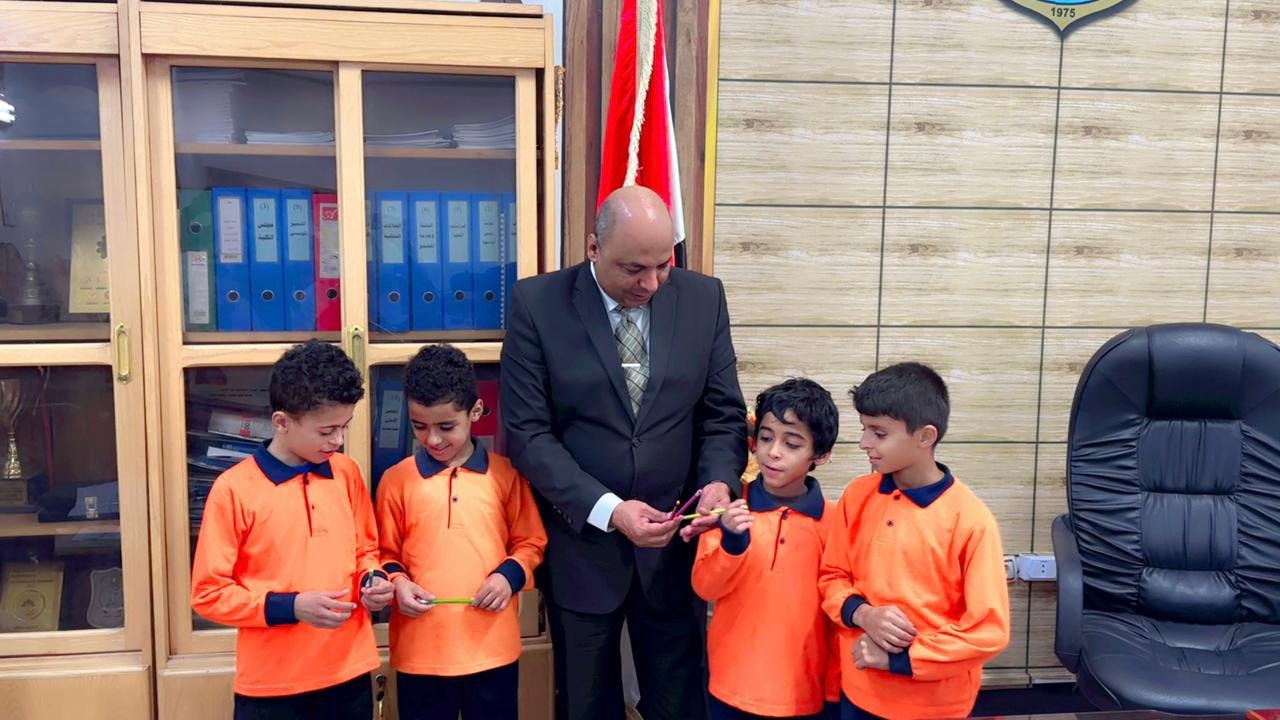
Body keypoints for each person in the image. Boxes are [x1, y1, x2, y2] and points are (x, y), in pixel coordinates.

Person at [499, 184, 748, 720]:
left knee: (679, 703)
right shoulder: (537, 304)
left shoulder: (703, 299)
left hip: (676, 545)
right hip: (583, 548)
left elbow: (722, 414)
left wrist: (719, 482)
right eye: (634, 269)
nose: (650, 283)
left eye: (663, 265)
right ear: (594, 247)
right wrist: (610, 510)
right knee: (586, 702)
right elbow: (527, 434)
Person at [191, 340, 392, 720]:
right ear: (281, 422)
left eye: (344, 427)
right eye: (327, 430)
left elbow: (366, 551)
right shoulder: (234, 489)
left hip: (349, 673)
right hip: (272, 687)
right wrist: (292, 607)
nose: (338, 440)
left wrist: (373, 580)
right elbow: (208, 594)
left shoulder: (347, 473)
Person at [819, 362, 1010, 720]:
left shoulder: (971, 521)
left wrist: (901, 658)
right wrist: (863, 614)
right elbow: (832, 576)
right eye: (864, 429)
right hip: (858, 691)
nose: (864, 443)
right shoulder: (857, 496)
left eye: (879, 433)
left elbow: (988, 631)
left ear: (925, 437)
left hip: (935, 707)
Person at [375, 344, 546, 720]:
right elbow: (383, 553)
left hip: (493, 650)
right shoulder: (395, 480)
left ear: (476, 412)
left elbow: (531, 542)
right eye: (419, 426)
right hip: (419, 653)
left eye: (446, 427)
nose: (432, 439)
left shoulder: (506, 475)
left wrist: (507, 578)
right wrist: (398, 584)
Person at [693, 378, 842, 720]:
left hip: (805, 694)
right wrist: (732, 542)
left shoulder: (835, 522)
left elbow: (838, 614)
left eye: (792, 444)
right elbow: (705, 587)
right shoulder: (729, 508)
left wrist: (835, 691)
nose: (773, 452)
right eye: (765, 438)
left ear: (820, 455)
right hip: (729, 686)